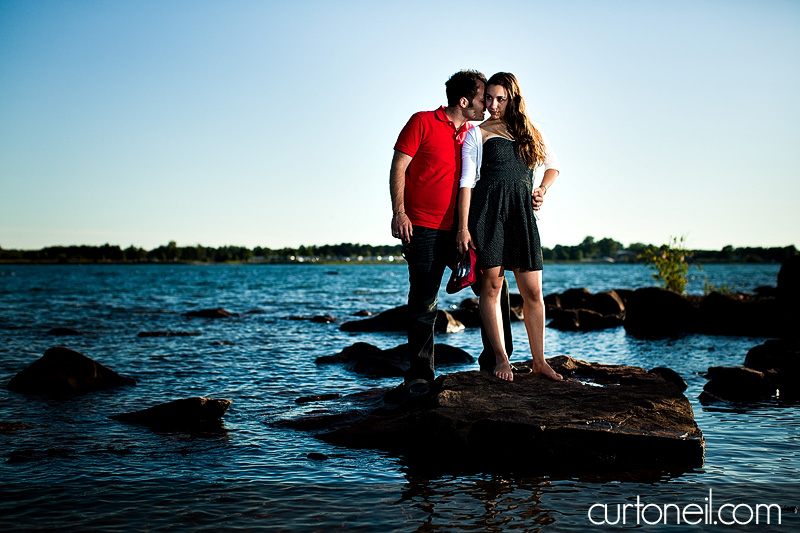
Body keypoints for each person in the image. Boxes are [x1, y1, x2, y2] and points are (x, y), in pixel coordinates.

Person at [456, 72, 563, 382]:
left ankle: (539, 361)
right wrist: (463, 228)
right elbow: (466, 182)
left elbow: (553, 165)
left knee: (534, 292)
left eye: (500, 99)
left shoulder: (532, 130)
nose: (492, 105)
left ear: (513, 98)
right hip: (488, 215)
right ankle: (501, 359)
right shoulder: (477, 134)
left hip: (521, 216)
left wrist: (542, 188)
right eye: (488, 98)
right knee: (491, 289)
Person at [389, 70, 488, 397]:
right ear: (463, 101)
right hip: (424, 229)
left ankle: (496, 362)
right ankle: (420, 376)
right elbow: (398, 167)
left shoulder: (475, 132)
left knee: (490, 285)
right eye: (480, 98)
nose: (486, 105)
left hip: (464, 231)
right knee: (424, 302)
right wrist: (399, 212)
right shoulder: (421, 122)